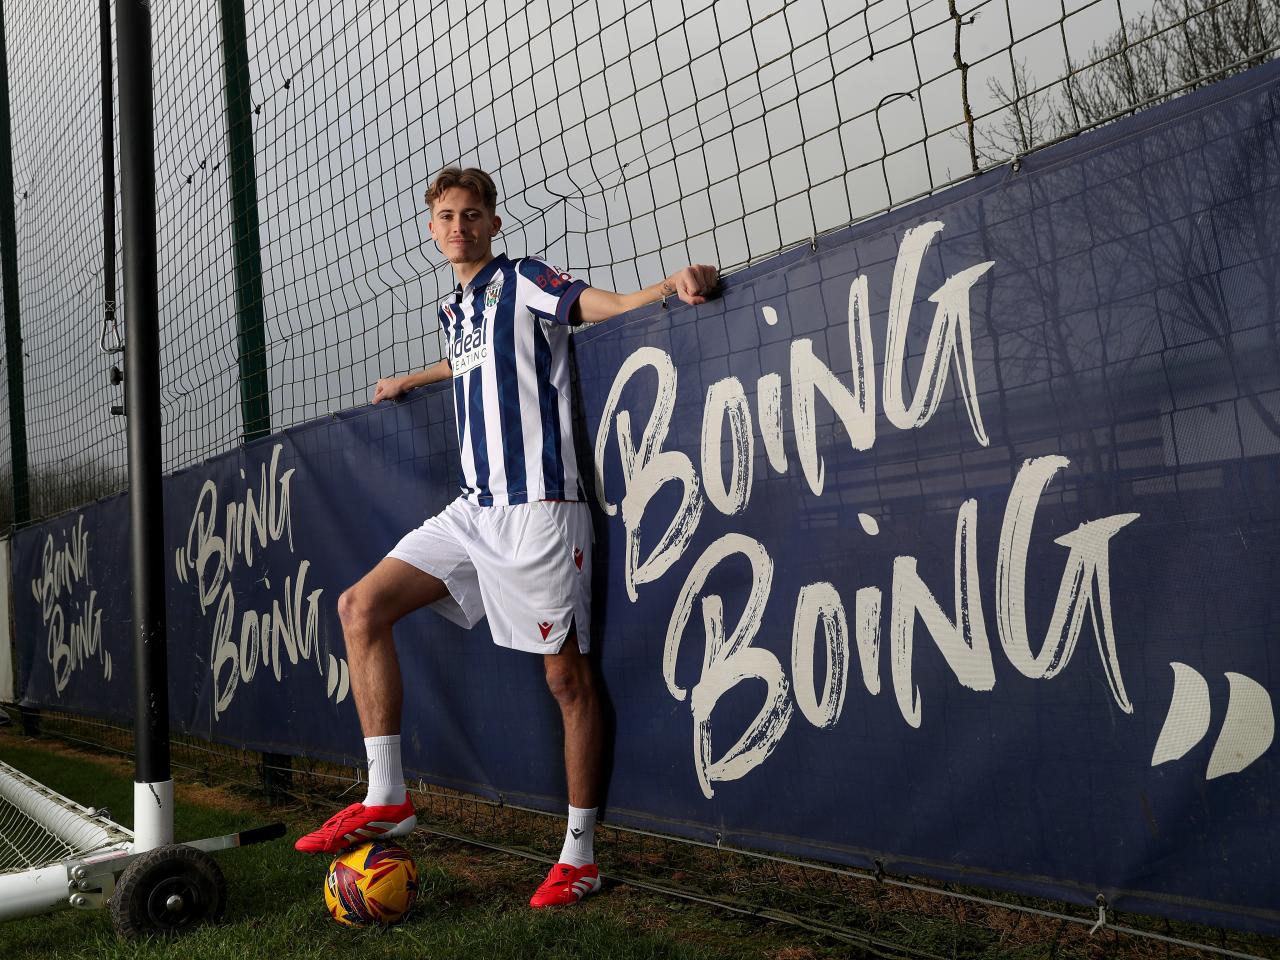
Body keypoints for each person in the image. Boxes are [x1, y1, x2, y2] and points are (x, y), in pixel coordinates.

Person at [295, 167, 718, 908]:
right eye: (446, 217)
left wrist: (669, 284)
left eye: (472, 215)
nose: (459, 227)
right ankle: (387, 797)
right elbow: (472, 359)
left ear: (493, 224)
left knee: (566, 680)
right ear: (432, 230)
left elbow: (600, 306)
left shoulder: (523, 278)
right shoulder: (453, 308)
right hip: (474, 509)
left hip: (542, 509)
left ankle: (580, 856)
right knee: (360, 608)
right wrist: (410, 380)